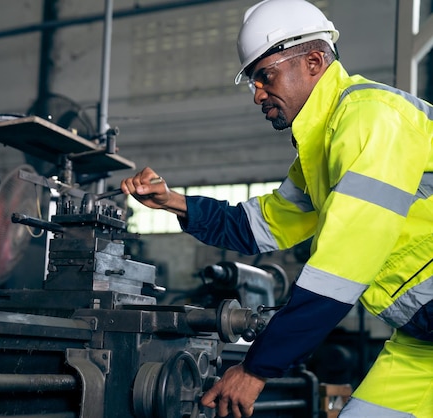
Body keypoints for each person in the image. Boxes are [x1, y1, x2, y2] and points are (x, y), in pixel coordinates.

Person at [120, 0, 433, 417]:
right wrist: (173, 202)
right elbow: (256, 227)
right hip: (420, 343)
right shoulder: (321, 149)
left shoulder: (371, 121)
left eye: (265, 77)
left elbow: (342, 266)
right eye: (252, 81)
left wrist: (255, 369)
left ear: (314, 61)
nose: (257, 95)